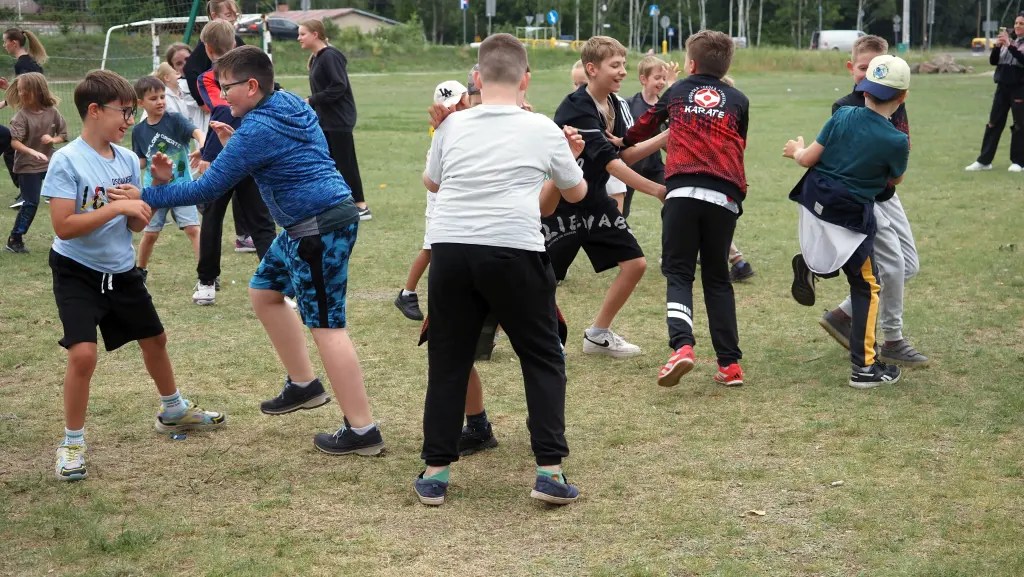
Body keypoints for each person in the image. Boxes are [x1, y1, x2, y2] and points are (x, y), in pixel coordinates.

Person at [112, 45, 386, 456]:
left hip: (317, 229)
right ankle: (304, 384)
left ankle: (363, 431)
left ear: (253, 86)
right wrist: (236, 144)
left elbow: (206, 188)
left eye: (227, 88)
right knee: (264, 291)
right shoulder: (288, 102)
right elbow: (282, 153)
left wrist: (145, 194)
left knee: (328, 327)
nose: (222, 97)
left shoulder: (257, 129)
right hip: (309, 224)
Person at [414, 33, 589, 507]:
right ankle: (549, 472)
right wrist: (568, 158)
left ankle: (435, 473)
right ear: (525, 79)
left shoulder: (451, 125)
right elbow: (575, 193)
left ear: (476, 77)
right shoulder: (543, 128)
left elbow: (433, 182)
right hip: (514, 248)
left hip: (451, 248)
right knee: (542, 356)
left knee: (448, 359)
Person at [44, 70, 226, 481]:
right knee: (83, 354)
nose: (130, 120)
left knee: (155, 339)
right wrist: (117, 207)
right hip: (76, 272)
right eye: (124, 111)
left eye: (131, 112)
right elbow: (64, 227)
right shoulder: (67, 160)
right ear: (94, 111)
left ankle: (173, 410)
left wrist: (155, 188)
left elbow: (136, 224)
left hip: (121, 270)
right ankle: (72, 442)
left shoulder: (127, 160)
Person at [625, 30, 749, 388]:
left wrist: (623, 141)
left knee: (679, 272)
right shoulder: (739, 99)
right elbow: (739, 142)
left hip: (682, 192)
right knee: (717, 278)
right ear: (726, 66)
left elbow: (644, 125)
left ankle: (682, 345)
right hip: (724, 196)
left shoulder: (677, 91)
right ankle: (730, 365)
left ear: (691, 64)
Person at [784, 54, 911, 389]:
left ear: (864, 90)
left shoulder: (841, 115)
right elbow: (895, 180)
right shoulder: (896, 140)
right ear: (903, 97)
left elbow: (807, 159)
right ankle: (864, 368)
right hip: (851, 214)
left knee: (834, 252)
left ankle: (811, 265)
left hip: (813, 199)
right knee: (866, 285)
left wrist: (796, 149)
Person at [546, 36, 667, 359]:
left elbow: (625, 154)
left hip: (596, 200)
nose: (623, 71)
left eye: (623, 64)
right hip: (561, 203)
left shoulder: (616, 105)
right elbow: (610, 163)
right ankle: (495, 327)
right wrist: (658, 190)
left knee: (635, 264)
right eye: (615, 65)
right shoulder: (576, 107)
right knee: (538, 276)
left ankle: (598, 334)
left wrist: (668, 135)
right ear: (592, 69)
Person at [818, 35, 928, 367]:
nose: (869, 76)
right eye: (864, 68)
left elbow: (901, 147)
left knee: (908, 265)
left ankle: (842, 315)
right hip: (864, 196)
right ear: (851, 67)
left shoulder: (895, 98)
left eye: (877, 68)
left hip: (887, 192)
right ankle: (893, 339)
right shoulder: (846, 107)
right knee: (891, 266)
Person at [190, 20, 276, 306]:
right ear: (235, 42)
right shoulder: (230, 77)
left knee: (241, 219)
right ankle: (210, 280)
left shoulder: (217, 77)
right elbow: (225, 111)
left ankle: (270, 281)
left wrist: (208, 155)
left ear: (207, 47)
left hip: (234, 156)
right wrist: (207, 151)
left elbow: (224, 110)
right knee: (233, 219)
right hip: (237, 152)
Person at [394, 79, 470, 322]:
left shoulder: (469, 120)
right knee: (431, 248)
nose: (455, 109)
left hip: (454, 197)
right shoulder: (443, 130)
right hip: (440, 198)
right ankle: (407, 293)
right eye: (450, 107)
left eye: (459, 104)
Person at [131, 75, 204, 280]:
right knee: (150, 234)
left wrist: (203, 143)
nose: (160, 101)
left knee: (193, 229)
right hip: (155, 189)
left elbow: (197, 132)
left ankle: (205, 274)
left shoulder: (175, 120)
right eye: (153, 98)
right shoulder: (139, 131)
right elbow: (141, 161)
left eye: (162, 96)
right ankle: (140, 271)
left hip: (182, 187)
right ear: (141, 103)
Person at [298, 19, 372, 221]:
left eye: (302, 34)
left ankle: (361, 206)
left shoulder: (330, 56)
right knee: (326, 163)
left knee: (346, 163)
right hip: (325, 120)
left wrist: (311, 100)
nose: (299, 38)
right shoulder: (316, 58)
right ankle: (333, 203)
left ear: (315, 34)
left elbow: (339, 86)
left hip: (339, 120)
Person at [4, 72, 66, 253]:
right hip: (27, 166)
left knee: (64, 196)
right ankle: (15, 239)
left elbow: (63, 135)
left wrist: (52, 140)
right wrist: (33, 152)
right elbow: (14, 142)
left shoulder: (52, 112)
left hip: (49, 163)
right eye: (19, 90)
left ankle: (70, 233)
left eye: (25, 90)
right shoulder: (20, 117)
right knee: (31, 203)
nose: (21, 93)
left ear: (38, 90)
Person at [966, 13, 1024, 172]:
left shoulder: (1012, 44)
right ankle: (984, 161)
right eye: (1016, 23)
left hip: (1019, 89)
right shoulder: (1009, 41)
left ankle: (1018, 162)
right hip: (1002, 87)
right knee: (993, 123)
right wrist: (998, 47)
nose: (1017, 26)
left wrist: (1010, 45)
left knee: (1019, 125)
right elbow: (993, 61)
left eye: (1021, 24)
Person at [1, 27, 46, 209]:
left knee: (15, 150)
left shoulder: (22, 65)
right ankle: (30, 191)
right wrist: (8, 89)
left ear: (14, 43)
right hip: (39, 113)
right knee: (26, 151)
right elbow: (29, 90)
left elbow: (26, 93)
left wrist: (4, 102)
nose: (4, 45)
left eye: (5, 41)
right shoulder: (31, 62)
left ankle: (27, 192)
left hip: (32, 115)